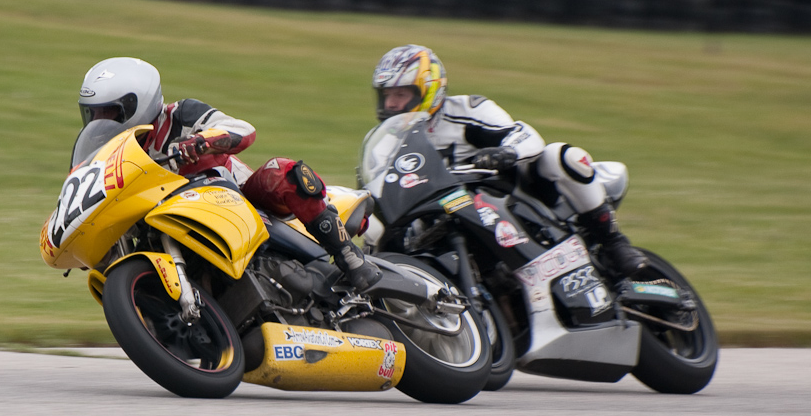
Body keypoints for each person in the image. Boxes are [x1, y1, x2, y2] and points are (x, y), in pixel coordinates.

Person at [76, 57, 382, 290]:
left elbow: (243, 130)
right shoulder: (109, 155)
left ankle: (349, 257)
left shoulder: (180, 115)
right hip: (173, 219)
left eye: (110, 112)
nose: (101, 121)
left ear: (137, 104)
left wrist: (202, 142)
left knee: (284, 172)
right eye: (94, 114)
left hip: (240, 198)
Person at [370, 44, 648, 277]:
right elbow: (378, 190)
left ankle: (613, 242)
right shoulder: (386, 142)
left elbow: (527, 136)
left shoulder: (468, 110)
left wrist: (505, 152)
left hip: (507, 197)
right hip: (442, 215)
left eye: (401, 94)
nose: (391, 104)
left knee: (561, 156)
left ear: (427, 90)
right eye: (387, 96)